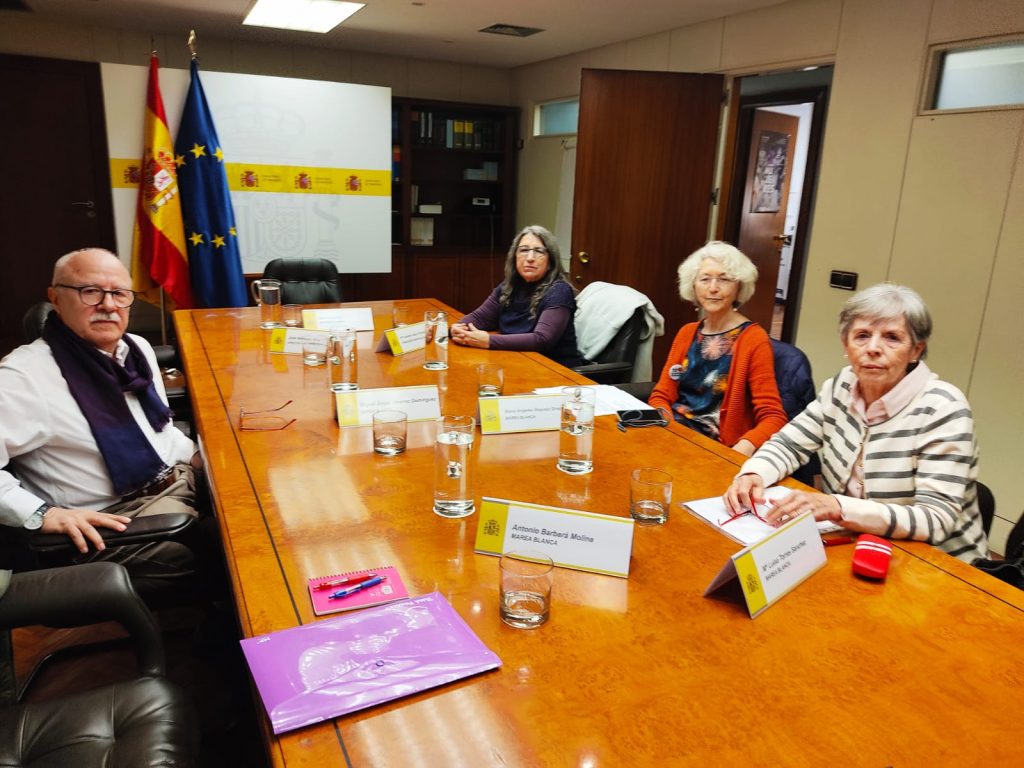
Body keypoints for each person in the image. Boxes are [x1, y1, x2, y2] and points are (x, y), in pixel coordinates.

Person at [724, 283, 988, 562]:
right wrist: (754, 474)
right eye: (862, 336)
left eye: (892, 338)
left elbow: (935, 519)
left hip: (939, 566)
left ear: (916, 350)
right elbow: (789, 444)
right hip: (853, 546)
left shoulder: (943, 409)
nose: (873, 348)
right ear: (845, 345)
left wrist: (838, 507)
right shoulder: (842, 385)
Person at [0, 248, 202, 590]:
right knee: (231, 549)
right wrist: (41, 514)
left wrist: (198, 458)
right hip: (117, 523)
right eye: (90, 292)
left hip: (176, 483)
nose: (108, 305)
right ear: (56, 298)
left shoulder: (135, 349)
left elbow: (159, 431)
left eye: (119, 294)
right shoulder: (24, 376)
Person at [649, 241, 786, 456]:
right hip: (674, 436)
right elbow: (661, 395)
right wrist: (667, 429)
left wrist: (739, 452)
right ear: (693, 286)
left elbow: (773, 417)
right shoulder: (687, 332)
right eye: (705, 279)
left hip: (716, 449)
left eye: (724, 279)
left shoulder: (754, 339)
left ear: (739, 287)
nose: (713, 288)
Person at [449, 225, 588, 367]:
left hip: (555, 370)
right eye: (524, 250)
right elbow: (480, 318)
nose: (530, 258)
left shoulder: (559, 291)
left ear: (550, 261)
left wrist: (488, 340)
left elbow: (542, 340)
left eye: (539, 251)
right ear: (514, 257)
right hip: (517, 361)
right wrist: (457, 328)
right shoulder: (509, 286)